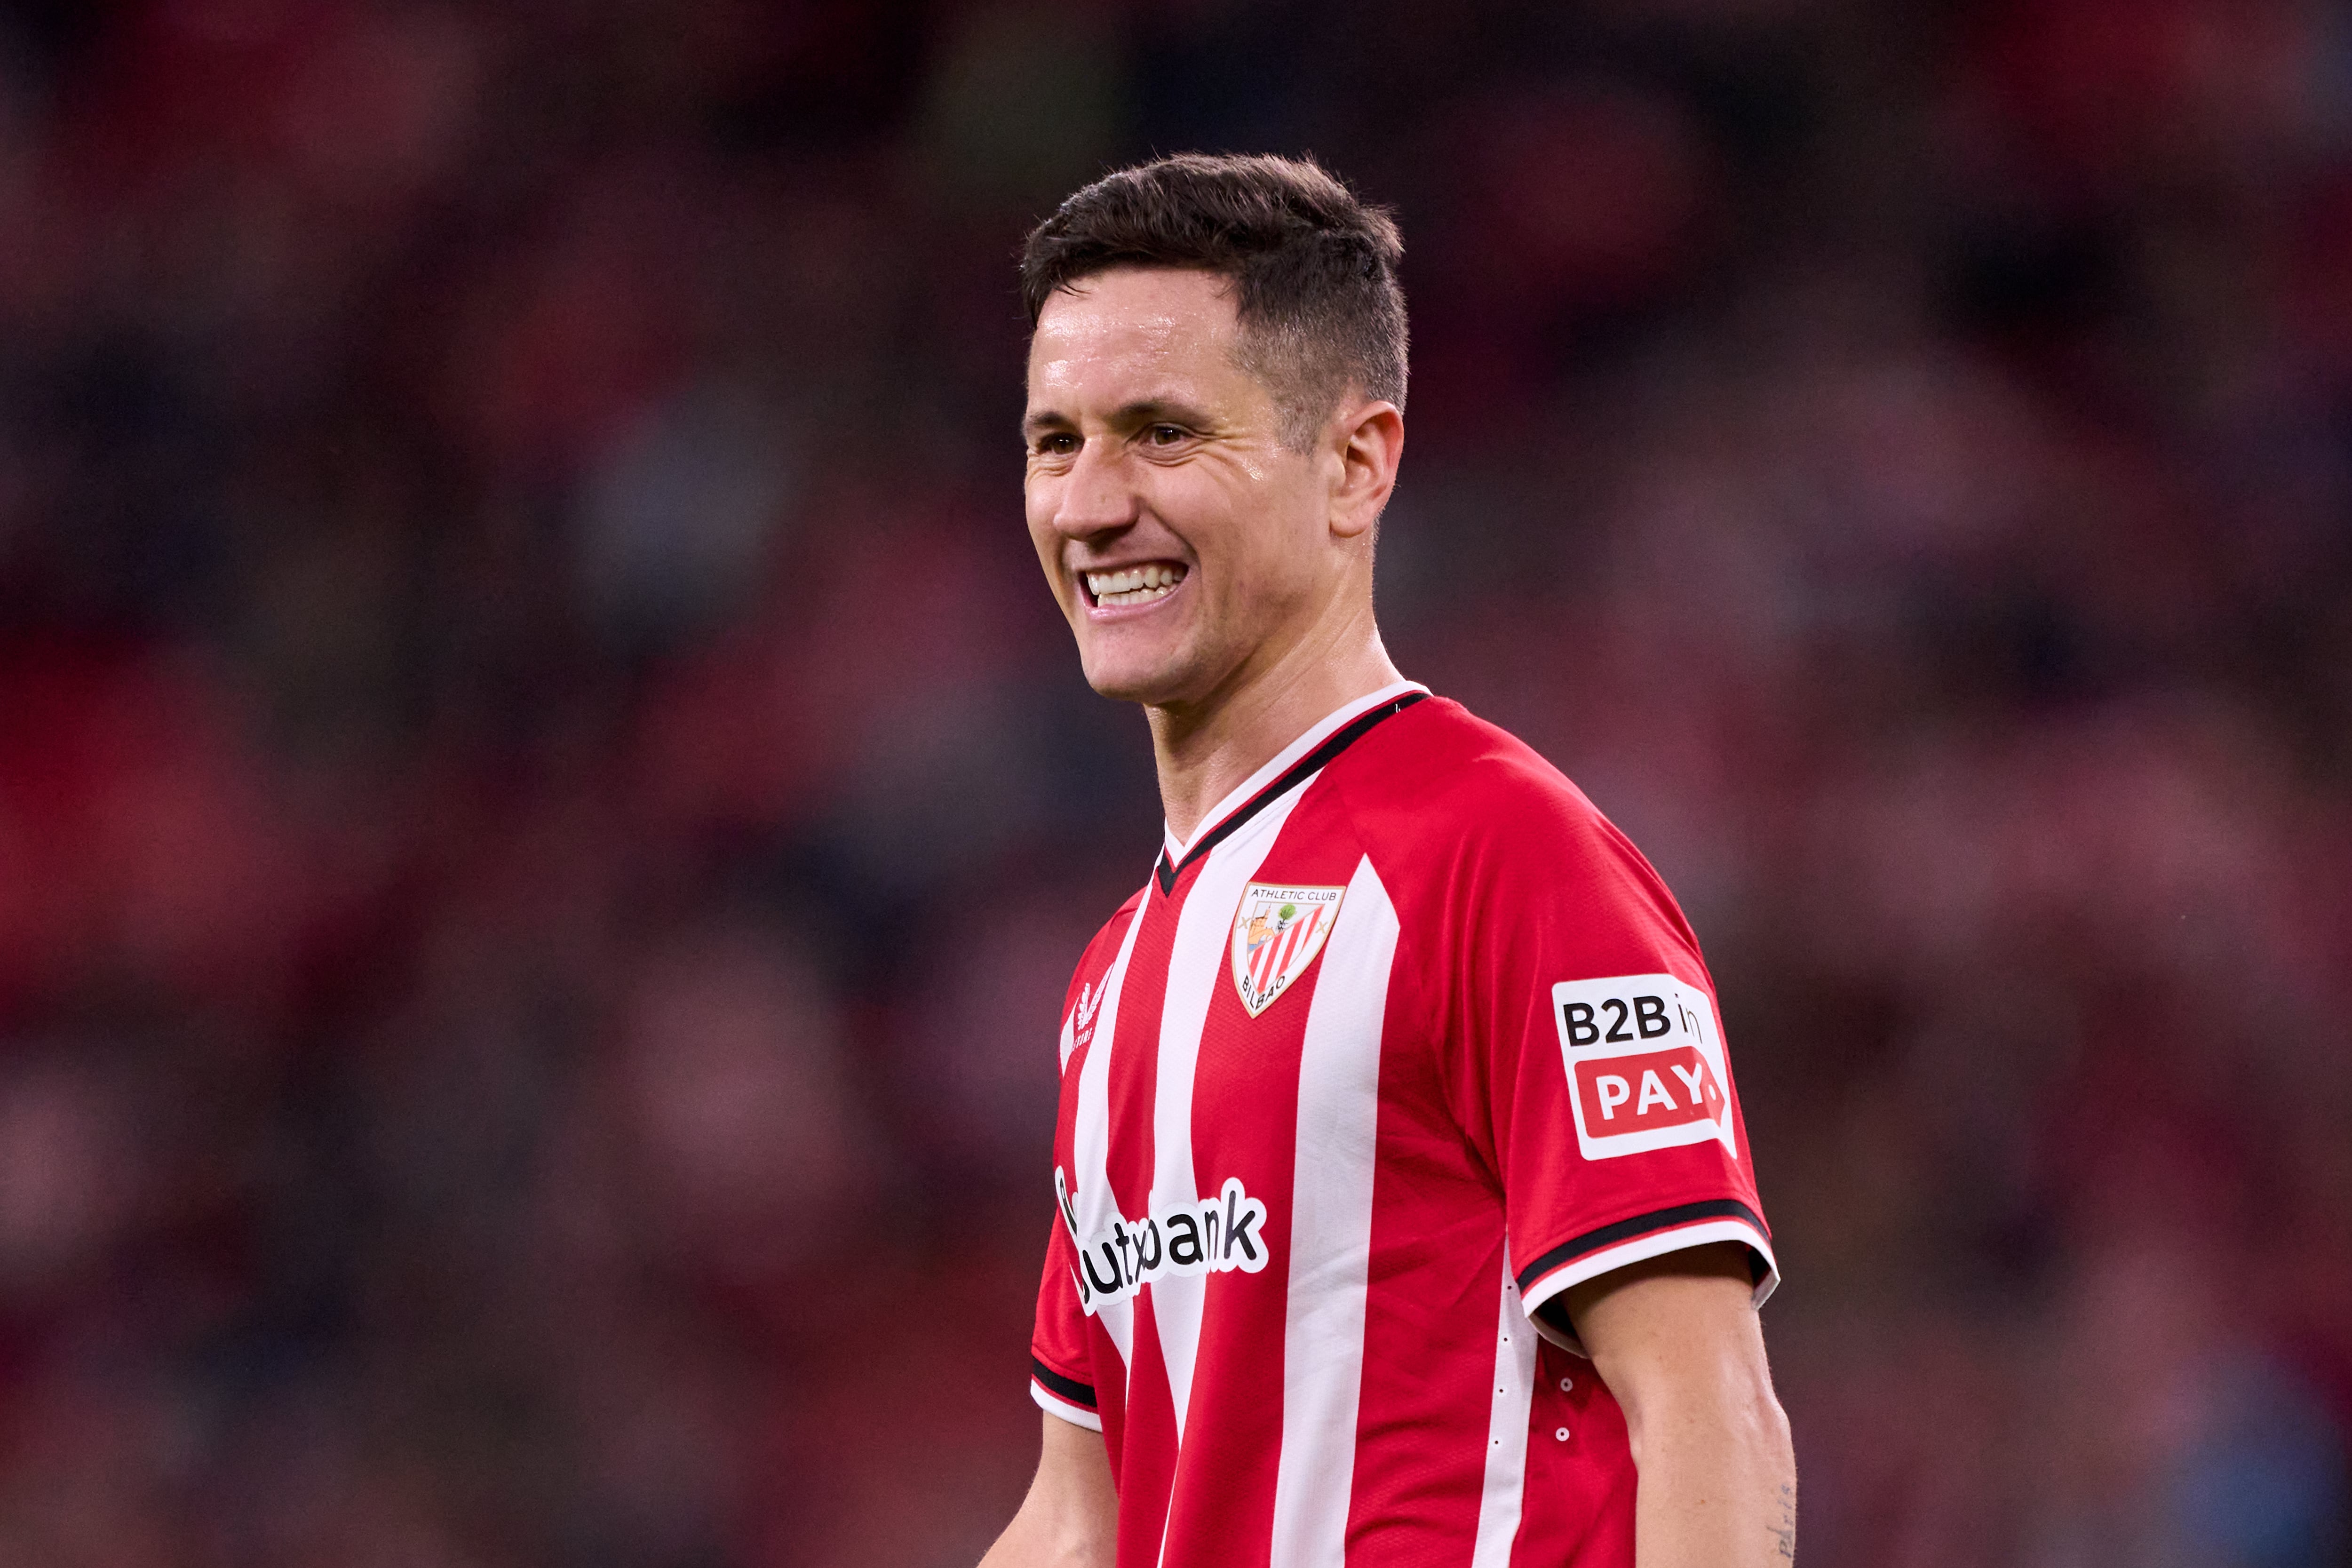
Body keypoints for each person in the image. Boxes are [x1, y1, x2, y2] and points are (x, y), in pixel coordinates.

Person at [980, 153, 1795, 1568]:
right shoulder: (1115, 980)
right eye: (1058, 442)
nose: (1090, 502)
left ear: (1358, 462)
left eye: (1164, 434)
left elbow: (1707, 1403)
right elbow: (1083, 1514)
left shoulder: (1506, 858)